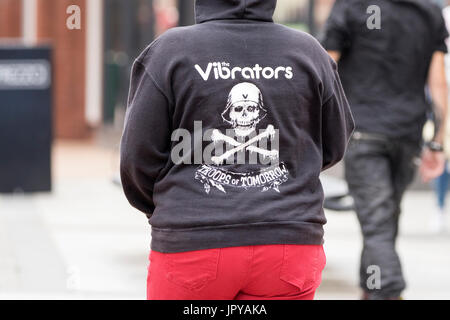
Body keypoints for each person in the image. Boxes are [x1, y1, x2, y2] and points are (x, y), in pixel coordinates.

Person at [120, 0, 354, 300]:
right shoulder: (309, 52)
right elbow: (335, 140)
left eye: (249, 110)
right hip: (286, 245)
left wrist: (174, 206)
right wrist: (292, 174)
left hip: (194, 242)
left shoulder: (169, 51)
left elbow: (136, 156)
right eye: (239, 109)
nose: (245, 115)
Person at [322, 0, 449, 300]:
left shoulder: (351, 6)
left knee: (378, 222)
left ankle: (389, 289)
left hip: (363, 131)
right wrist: (438, 143)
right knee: (383, 219)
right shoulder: (428, 11)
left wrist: (319, 129)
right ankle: (372, 288)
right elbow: (438, 83)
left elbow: (326, 71)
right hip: (407, 133)